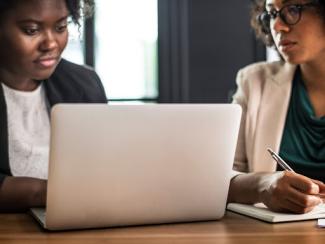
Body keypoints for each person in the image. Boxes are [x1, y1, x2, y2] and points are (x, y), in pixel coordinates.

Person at [0, 0, 107, 212]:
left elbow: (104, 166)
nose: (50, 44)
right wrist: (48, 193)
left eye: (60, 27)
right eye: (31, 30)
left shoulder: (84, 84)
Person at [227, 0, 325, 214]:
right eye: (272, 14)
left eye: (292, 10)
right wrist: (262, 185)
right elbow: (222, 177)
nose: (277, 26)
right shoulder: (254, 82)